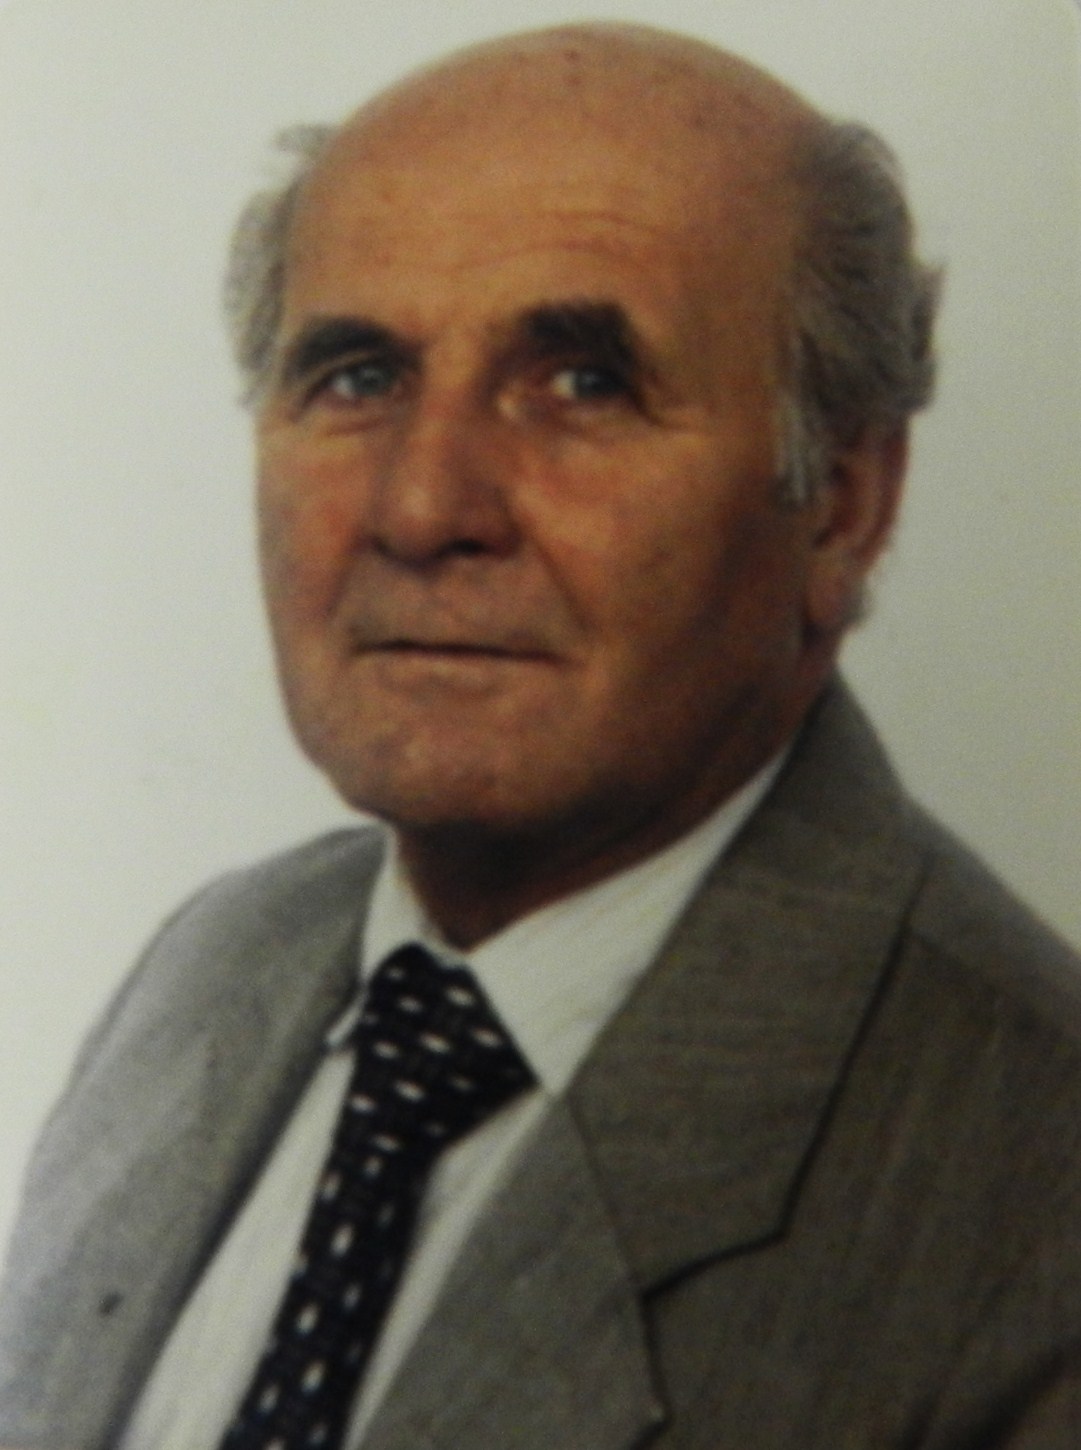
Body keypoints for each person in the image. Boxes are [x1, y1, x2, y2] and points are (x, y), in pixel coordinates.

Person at [3, 20, 1081, 1450]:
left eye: (582, 384)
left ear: (841, 503)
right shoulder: (212, 969)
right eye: (358, 377)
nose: (420, 507)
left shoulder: (1035, 1204)